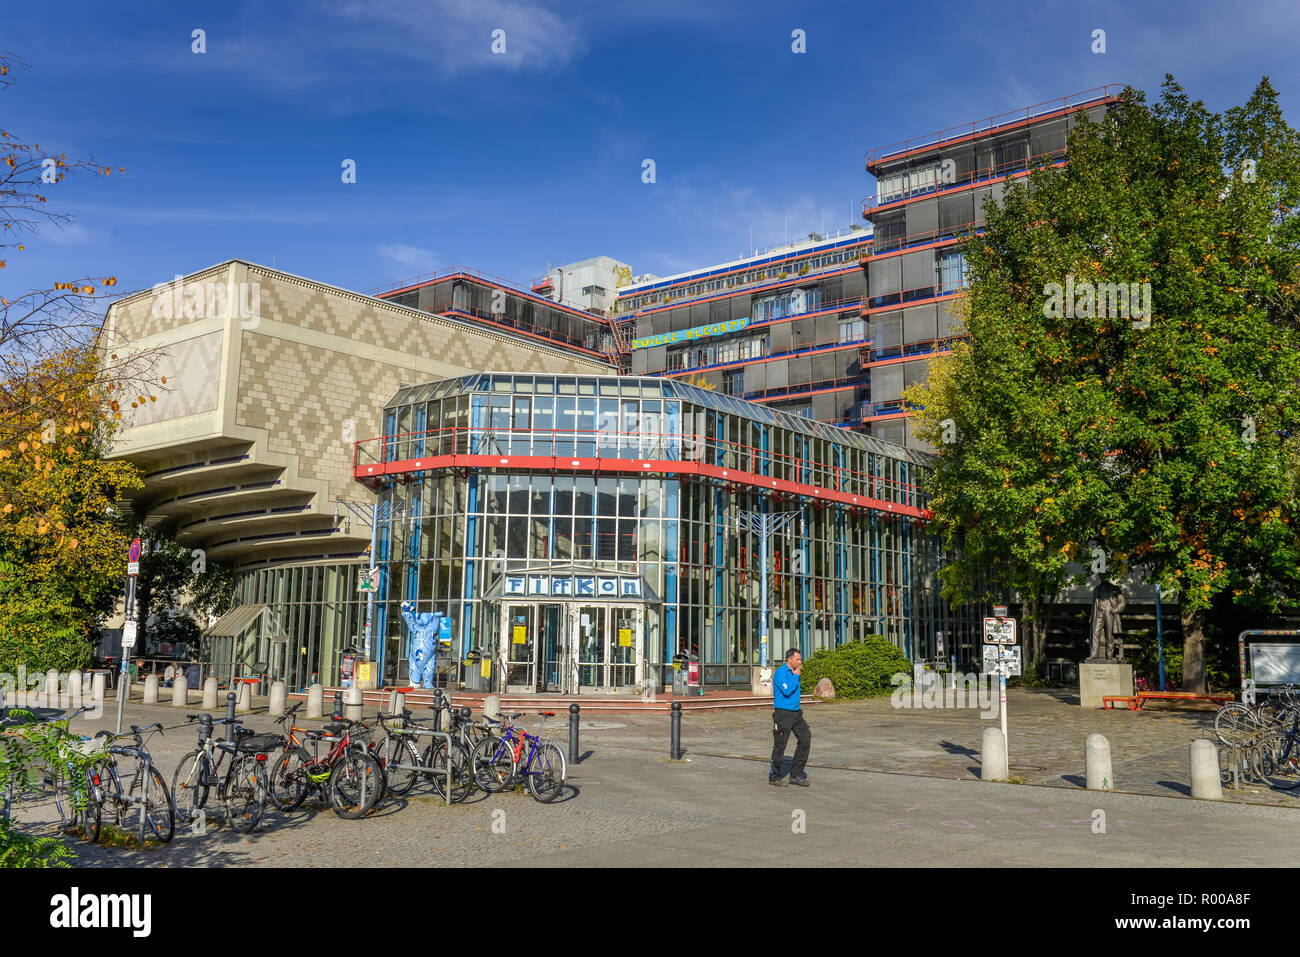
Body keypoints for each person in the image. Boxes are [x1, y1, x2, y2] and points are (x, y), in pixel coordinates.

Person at [769, 648, 811, 787]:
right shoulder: (781, 673)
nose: (800, 662)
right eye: (798, 659)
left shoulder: (794, 673)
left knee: (805, 739)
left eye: (800, 659)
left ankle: (796, 774)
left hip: (796, 713)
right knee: (780, 745)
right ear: (789, 659)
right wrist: (796, 676)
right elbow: (787, 690)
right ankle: (774, 776)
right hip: (783, 714)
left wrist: (795, 675)